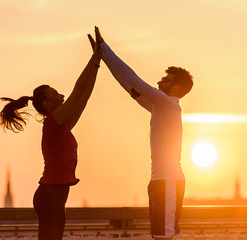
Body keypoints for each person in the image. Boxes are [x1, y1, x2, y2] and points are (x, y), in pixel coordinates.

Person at [89, 27, 193, 240]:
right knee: (161, 235)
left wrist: (105, 49)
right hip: (160, 181)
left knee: (164, 236)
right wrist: (102, 57)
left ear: (176, 88)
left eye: (165, 80)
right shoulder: (159, 107)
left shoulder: (169, 106)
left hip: (168, 181)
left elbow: (135, 80)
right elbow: (129, 86)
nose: (159, 82)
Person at [0, 35, 101, 240]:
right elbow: (78, 91)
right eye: (56, 94)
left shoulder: (63, 124)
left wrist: (97, 62)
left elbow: (85, 95)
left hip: (55, 195)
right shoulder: (54, 122)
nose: (62, 96)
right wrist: (93, 57)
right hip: (50, 194)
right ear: (47, 104)